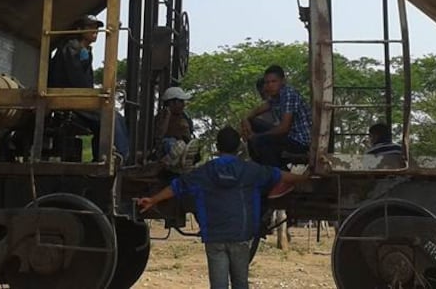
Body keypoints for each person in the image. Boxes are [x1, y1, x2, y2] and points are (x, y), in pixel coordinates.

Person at [137, 127, 310, 289]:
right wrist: (304, 178)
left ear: (218, 147)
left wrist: (153, 200)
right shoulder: (252, 170)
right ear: (239, 148)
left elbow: (177, 186)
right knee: (240, 283)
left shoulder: (205, 171)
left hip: (214, 237)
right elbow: (279, 175)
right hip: (241, 235)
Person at [48, 15, 131, 161]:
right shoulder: (71, 47)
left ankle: (105, 157)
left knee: (114, 117)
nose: (96, 30)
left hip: (78, 97)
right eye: (90, 27)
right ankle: (120, 158)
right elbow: (76, 80)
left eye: (97, 27)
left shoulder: (83, 50)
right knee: (110, 116)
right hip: (68, 98)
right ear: (79, 29)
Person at [242, 65, 311, 168]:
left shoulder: (288, 94)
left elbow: (284, 128)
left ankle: (277, 173)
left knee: (261, 141)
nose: (270, 85)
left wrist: (257, 136)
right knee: (253, 122)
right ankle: (265, 168)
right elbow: (255, 111)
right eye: (267, 82)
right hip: (289, 136)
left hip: (300, 142)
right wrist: (245, 119)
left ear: (282, 81)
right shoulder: (276, 97)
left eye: (274, 81)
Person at [153, 86, 200, 169]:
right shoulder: (162, 116)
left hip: (183, 146)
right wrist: (167, 116)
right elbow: (159, 136)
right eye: (180, 101)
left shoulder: (184, 116)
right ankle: (172, 160)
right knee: (170, 142)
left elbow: (189, 136)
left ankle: (183, 158)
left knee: (184, 145)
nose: (183, 104)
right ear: (171, 103)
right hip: (166, 148)